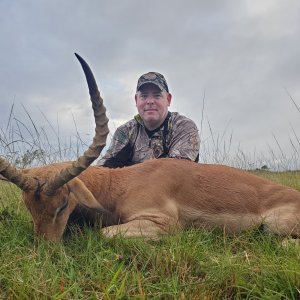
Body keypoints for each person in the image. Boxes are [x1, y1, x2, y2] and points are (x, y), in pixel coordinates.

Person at [97, 71, 200, 168]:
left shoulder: (184, 127)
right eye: (144, 96)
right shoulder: (125, 131)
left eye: (157, 95)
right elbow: (103, 170)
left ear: (168, 100)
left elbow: (175, 173)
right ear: (136, 100)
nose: (150, 101)